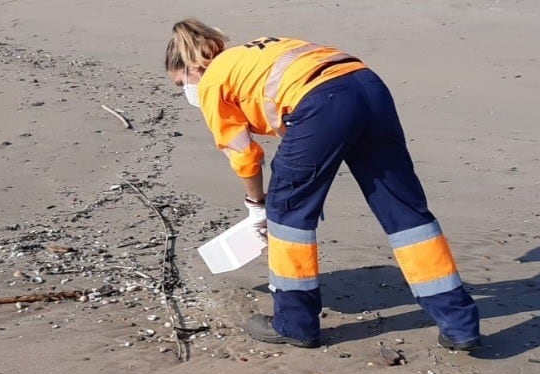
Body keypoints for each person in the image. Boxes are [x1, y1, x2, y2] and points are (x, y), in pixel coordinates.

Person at [164, 18, 481, 351]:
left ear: (192, 68)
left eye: (179, 83)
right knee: (404, 210)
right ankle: (459, 324)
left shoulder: (213, 79)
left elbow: (243, 154)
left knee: (288, 214)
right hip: (367, 86)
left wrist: (257, 206)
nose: (186, 91)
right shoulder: (254, 51)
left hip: (321, 101)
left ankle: (295, 323)